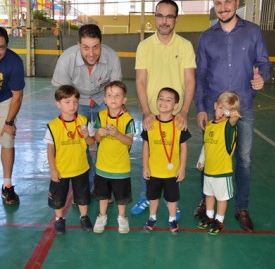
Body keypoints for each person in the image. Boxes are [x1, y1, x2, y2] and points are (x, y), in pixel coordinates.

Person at [194, 0, 271, 231]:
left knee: (244, 159)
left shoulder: (253, 32)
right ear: (213, 5)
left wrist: (262, 77)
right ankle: (207, 203)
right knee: (211, 158)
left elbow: (264, 63)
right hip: (215, 113)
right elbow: (201, 76)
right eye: (218, 3)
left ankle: (241, 208)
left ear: (237, 3)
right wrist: (202, 108)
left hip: (244, 108)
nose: (223, 7)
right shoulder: (206, 38)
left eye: (228, 2)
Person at [132, 0, 196, 217]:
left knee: (172, 158)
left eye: (169, 16)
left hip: (176, 115)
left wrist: (185, 111)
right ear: (155, 18)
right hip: (152, 114)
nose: (164, 21)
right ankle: (145, 197)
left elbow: (190, 81)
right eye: (160, 15)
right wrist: (148, 112)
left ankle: (172, 202)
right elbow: (140, 81)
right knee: (150, 157)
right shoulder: (144, 46)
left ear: (175, 19)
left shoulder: (185, 46)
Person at [52, 24, 122, 192]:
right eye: (86, 48)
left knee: (106, 142)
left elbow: (115, 90)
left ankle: (103, 186)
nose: (91, 53)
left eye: (95, 47)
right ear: (78, 45)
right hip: (77, 100)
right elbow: (63, 93)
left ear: (101, 44)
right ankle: (89, 185)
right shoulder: (66, 59)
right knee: (80, 144)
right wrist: (71, 114)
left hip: (102, 99)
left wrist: (118, 108)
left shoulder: (112, 57)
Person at [44, 85, 94, 234]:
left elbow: (92, 143)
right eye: (67, 102)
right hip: (61, 169)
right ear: (58, 104)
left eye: (75, 102)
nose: (72, 105)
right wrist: (53, 169)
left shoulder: (84, 121)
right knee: (58, 198)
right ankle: (59, 219)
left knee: (83, 196)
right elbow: (50, 149)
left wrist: (87, 137)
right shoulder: (53, 126)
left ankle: (84, 217)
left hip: (80, 167)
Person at [142, 87, 191, 234]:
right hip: (154, 170)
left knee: (172, 198)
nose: (163, 102)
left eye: (168, 100)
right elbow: (146, 146)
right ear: (156, 101)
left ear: (175, 105)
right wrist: (145, 166)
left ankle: (172, 219)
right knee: (153, 196)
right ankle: (152, 217)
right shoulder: (149, 123)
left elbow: (184, 148)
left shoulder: (179, 124)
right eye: (161, 99)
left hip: (172, 172)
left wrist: (182, 168)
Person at [93, 81, 135, 234]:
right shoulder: (100, 116)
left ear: (124, 100)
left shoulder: (128, 119)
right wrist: (100, 133)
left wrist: (117, 134)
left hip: (121, 167)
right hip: (103, 166)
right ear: (104, 99)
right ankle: (101, 216)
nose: (113, 99)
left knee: (121, 197)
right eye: (109, 95)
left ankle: (122, 217)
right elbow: (96, 139)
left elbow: (129, 141)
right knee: (103, 195)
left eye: (117, 95)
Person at [197, 91, 240, 235]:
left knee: (221, 198)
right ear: (215, 106)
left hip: (222, 172)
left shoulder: (228, 126)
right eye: (220, 107)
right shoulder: (209, 124)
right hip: (209, 171)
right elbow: (206, 145)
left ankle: (219, 220)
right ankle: (209, 217)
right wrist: (201, 160)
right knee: (209, 195)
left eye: (226, 110)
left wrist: (232, 116)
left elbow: (233, 121)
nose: (222, 112)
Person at [0, 27, 25, 205]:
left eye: (1, 47)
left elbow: (17, 96)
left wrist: (9, 122)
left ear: (7, 46)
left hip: (5, 100)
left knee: (8, 139)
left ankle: (7, 186)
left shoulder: (14, 62)